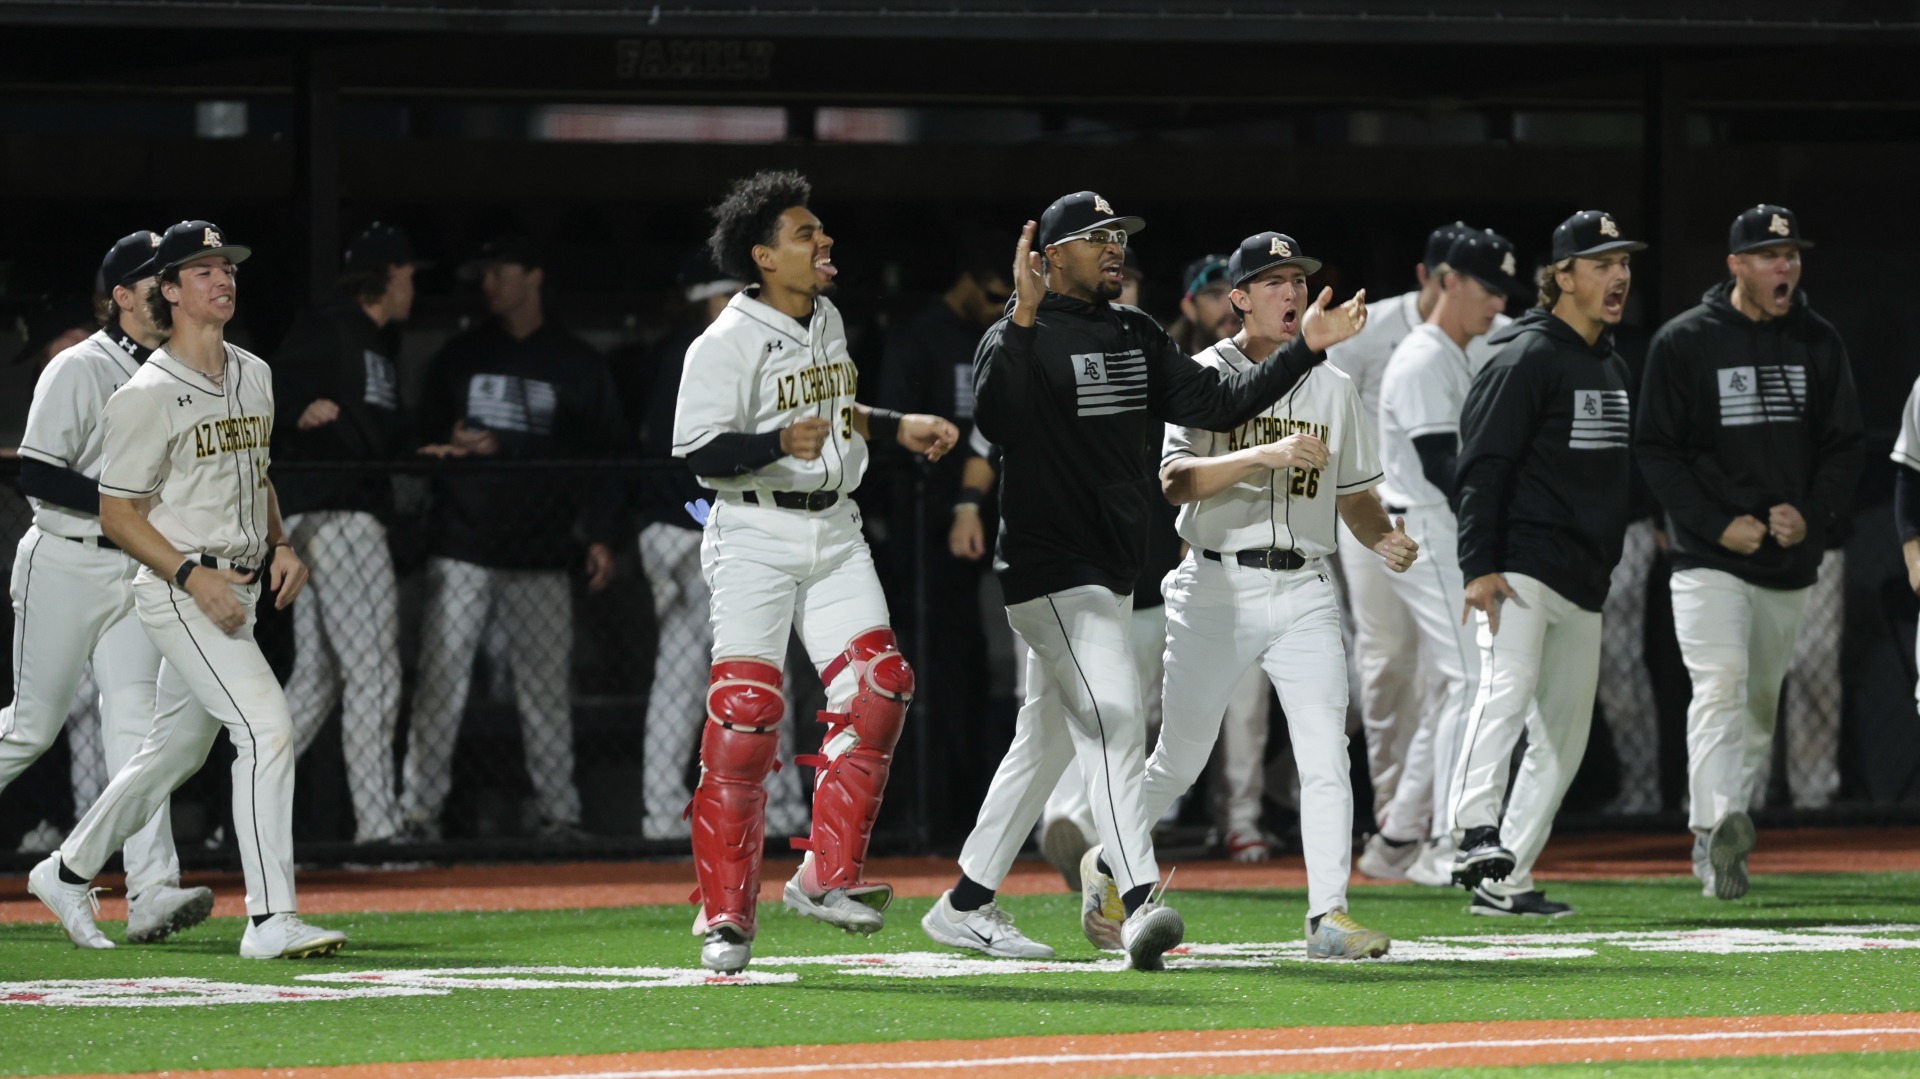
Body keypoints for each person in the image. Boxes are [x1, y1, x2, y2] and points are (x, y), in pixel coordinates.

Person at [921, 192, 1365, 970]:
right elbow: (998, 416)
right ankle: (1137, 903)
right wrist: (1021, 321)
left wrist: (1306, 350)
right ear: (1051, 256)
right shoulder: (1016, 334)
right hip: (1048, 569)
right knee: (1117, 716)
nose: (1114, 248)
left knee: (1044, 741)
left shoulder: (1135, 332)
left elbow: (1223, 403)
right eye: (1096, 239)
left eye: (1118, 236)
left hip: (1110, 571)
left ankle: (965, 902)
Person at [29, 220, 346, 958]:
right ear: (167, 291)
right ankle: (270, 919)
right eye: (201, 270)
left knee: (169, 753)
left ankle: (68, 868)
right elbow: (117, 511)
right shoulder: (143, 393)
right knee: (268, 730)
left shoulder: (254, 372)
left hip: (235, 589)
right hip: (181, 590)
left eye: (225, 266)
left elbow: (254, 469)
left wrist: (281, 542)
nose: (221, 278)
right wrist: (187, 572)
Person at [672, 170, 957, 973]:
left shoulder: (825, 315)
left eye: (822, 232)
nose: (823, 243)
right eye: (805, 235)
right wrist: (772, 445)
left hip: (833, 526)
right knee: (745, 714)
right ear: (764, 256)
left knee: (881, 683)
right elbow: (695, 451)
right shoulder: (723, 341)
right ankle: (727, 913)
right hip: (755, 530)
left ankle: (824, 874)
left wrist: (898, 427)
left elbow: (837, 410)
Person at [1148, 231, 1416, 958]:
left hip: (1302, 584)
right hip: (1214, 583)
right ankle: (1111, 860)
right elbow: (1175, 481)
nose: (1291, 291)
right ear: (1237, 298)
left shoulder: (1333, 386)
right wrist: (1261, 454)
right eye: (1272, 281)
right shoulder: (1202, 373)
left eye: (1297, 278)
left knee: (1326, 751)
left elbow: (1355, 495)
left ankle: (1327, 912)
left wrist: (1381, 534)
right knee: (1181, 757)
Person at [1634, 204, 1861, 900]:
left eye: (1791, 253)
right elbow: (1656, 449)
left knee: (1758, 704)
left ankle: (1731, 822)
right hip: (1708, 555)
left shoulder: (1819, 342)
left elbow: (1845, 445)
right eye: (1768, 255)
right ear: (1735, 265)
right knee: (1722, 681)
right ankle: (1711, 832)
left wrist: (1813, 515)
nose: (1784, 265)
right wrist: (1712, 521)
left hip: (1788, 558)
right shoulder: (1684, 342)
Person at [5, 233, 214, 944]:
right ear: (119, 297)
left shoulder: (181, 371)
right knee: (30, 727)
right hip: (64, 560)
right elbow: (36, 472)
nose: (168, 291)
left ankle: (151, 890)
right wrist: (122, 502)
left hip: (134, 567)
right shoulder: (79, 366)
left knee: (139, 730)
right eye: (154, 282)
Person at [1447, 210, 1640, 919]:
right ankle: (1471, 830)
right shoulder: (1525, 355)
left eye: (1623, 263)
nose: (1618, 276)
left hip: (1583, 576)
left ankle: (1507, 875)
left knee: (1565, 738)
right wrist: (1478, 565)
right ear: (1560, 276)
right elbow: (1481, 468)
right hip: (1521, 565)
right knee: (1503, 691)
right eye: (1600, 263)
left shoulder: (1612, 363)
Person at [403, 236, 627, 841]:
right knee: (439, 687)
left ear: (533, 274)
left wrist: (601, 535)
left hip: (542, 551)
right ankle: (417, 815)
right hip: (463, 545)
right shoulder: (461, 355)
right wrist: (447, 438)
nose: (488, 285)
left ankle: (561, 814)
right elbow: (420, 436)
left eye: (499, 271)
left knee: (546, 693)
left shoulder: (575, 362)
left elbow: (605, 457)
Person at [1327, 223, 1503, 882]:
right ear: (1436, 278)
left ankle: (1403, 832)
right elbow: (1335, 418)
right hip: (1383, 515)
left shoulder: (1471, 338)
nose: (1493, 301)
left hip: (1429, 519)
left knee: (1446, 678)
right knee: (1392, 666)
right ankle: (1422, 827)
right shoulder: (1392, 336)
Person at [270, 223, 420, 846]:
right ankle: (379, 831)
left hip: (341, 515)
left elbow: (375, 432)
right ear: (386, 275)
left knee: (319, 679)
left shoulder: (378, 344)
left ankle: (240, 806)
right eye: (410, 274)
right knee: (376, 673)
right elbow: (260, 388)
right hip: (335, 517)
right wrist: (298, 405)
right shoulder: (329, 326)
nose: (414, 287)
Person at [875, 232, 1010, 837]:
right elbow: (892, 435)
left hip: (993, 517)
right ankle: (938, 809)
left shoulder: (1001, 335)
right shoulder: (919, 336)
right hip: (932, 532)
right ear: (964, 279)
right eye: (989, 291)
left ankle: (981, 801)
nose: (997, 302)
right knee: (942, 663)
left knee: (986, 665)